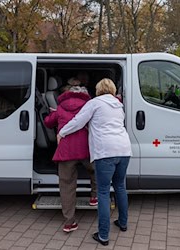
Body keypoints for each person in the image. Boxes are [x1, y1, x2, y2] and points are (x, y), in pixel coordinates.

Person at [57, 78, 132, 246]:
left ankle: (104, 235)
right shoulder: (119, 105)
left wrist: (62, 132)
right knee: (120, 186)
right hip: (124, 150)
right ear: (112, 90)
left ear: (98, 90)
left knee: (104, 192)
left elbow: (78, 121)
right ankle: (123, 223)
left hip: (106, 151)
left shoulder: (94, 103)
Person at [44, 77, 98, 233]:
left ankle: (69, 222)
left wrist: (51, 113)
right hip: (85, 148)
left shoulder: (60, 108)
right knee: (96, 170)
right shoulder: (89, 107)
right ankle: (94, 197)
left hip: (66, 151)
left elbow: (48, 123)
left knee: (67, 186)